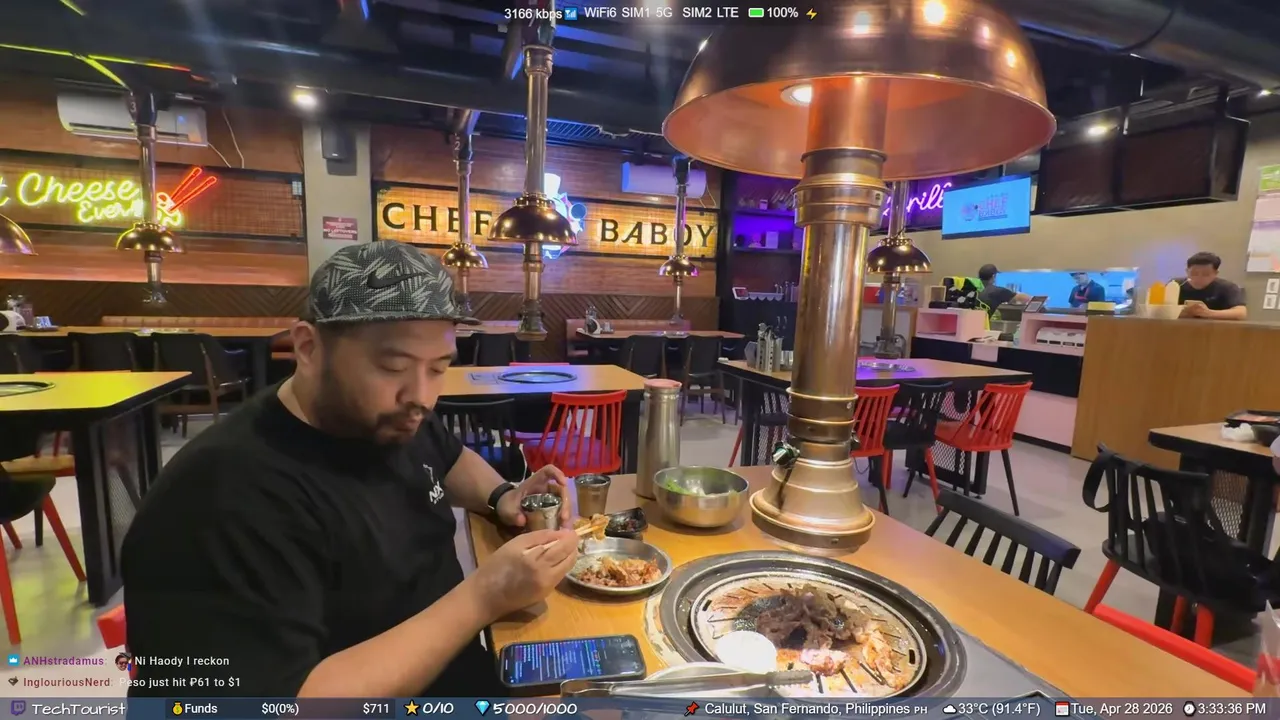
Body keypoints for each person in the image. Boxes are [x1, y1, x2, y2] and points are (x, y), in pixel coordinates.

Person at [120, 241, 580, 698]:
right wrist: (484, 596)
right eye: (393, 366)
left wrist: (501, 495)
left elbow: (450, 458)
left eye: (438, 368)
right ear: (308, 348)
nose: (421, 396)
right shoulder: (219, 500)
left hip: (463, 675)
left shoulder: (395, 416)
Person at [1178, 251, 1247, 320]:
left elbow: (1241, 313)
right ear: (1187, 271)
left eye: (1205, 274)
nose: (1199, 278)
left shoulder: (1228, 287)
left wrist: (1208, 313)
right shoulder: (1177, 285)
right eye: (1194, 273)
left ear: (1215, 273)